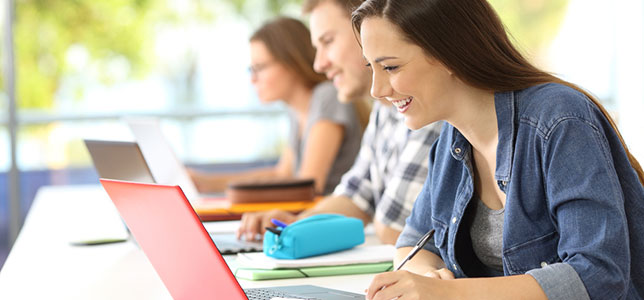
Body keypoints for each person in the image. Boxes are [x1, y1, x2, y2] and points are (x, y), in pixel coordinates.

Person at [352, 0, 644, 299]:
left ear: (449, 54)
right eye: (371, 67)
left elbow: (597, 275)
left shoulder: (559, 119)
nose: (377, 89)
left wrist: (448, 292)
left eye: (390, 67)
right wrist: (429, 278)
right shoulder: (451, 140)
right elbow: (415, 243)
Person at [236, 0, 442, 245]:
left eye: (328, 41)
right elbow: (356, 195)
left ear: (365, 31)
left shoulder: (429, 107)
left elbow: (394, 228)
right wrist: (298, 223)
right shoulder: (383, 111)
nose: (319, 64)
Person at [190, 17, 365, 195]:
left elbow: (308, 187)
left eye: (259, 67)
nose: (253, 79)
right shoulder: (297, 111)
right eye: (251, 69)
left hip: (330, 217)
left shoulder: (327, 97)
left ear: (291, 62)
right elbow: (281, 174)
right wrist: (204, 182)